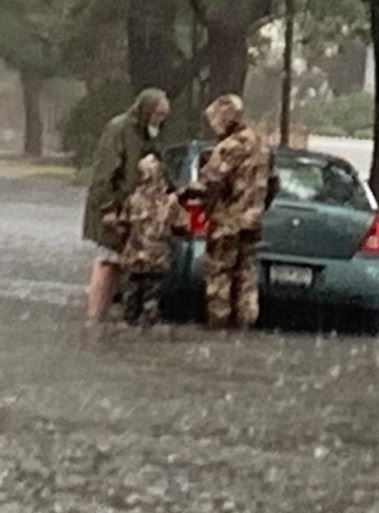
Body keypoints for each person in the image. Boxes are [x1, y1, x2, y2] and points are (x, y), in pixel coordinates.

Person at [184, 93, 272, 331]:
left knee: (219, 273)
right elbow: (273, 182)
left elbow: (209, 182)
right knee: (246, 273)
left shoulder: (228, 147)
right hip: (252, 222)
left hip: (227, 221)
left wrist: (184, 193)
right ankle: (246, 321)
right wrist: (258, 206)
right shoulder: (262, 144)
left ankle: (218, 323)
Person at [81, 88, 170, 319]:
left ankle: (103, 315)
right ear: (146, 109)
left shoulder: (148, 134)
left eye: (163, 116)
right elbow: (104, 172)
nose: (159, 120)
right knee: (106, 261)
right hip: (111, 207)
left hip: (133, 211)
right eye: (157, 114)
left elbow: (159, 168)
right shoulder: (118, 129)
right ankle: (94, 315)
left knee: (120, 263)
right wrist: (107, 208)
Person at [117, 153, 186, 326]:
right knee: (152, 296)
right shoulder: (170, 201)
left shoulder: (133, 198)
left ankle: (129, 323)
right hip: (157, 257)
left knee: (131, 296)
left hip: (134, 255)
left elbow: (122, 223)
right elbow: (182, 226)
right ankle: (149, 326)